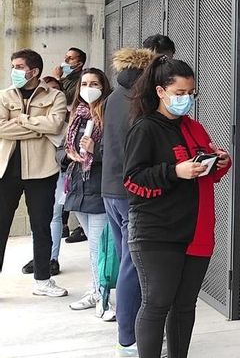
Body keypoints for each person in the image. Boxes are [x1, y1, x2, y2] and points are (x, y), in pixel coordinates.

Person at [124, 56, 231, 358]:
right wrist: (174, 171)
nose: (186, 99)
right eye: (180, 93)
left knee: (185, 306)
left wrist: (219, 162)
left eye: (191, 94)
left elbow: (206, 172)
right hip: (157, 232)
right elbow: (132, 181)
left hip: (196, 230)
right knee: (157, 304)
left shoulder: (194, 128)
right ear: (160, 91)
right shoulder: (145, 128)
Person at [102, 46, 170, 356]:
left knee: (127, 262)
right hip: (132, 194)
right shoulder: (139, 100)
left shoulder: (115, 96)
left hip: (111, 191)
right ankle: (128, 339)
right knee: (134, 268)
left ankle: (130, 334)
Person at [0, 49, 69, 297]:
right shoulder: (4, 95)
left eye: (19, 66)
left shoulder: (56, 96)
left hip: (42, 171)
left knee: (42, 226)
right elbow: (0, 128)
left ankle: (43, 280)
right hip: (6, 172)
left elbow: (55, 125)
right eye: (13, 66)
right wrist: (38, 128)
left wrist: (21, 121)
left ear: (34, 71)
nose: (15, 71)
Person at [61, 68, 114, 318]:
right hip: (78, 186)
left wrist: (96, 149)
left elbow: (118, 153)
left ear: (104, 86)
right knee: (93, 247)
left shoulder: (110, 113)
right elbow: (64, 148)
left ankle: (100, 294)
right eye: (84, 83)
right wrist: (70, 154)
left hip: (101, 186)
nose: (88, 87)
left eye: (94, 83)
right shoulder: (78, 115)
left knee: (98, 245)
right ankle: (95, 290)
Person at [21, 76, 66, 276]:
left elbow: (56, 127)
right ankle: (46, 258)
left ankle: (51, 259)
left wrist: (26, 122)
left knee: (54, 214)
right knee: (47, 217)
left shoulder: (67, 112)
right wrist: (39, 127)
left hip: (61, 168)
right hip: (41, 167)